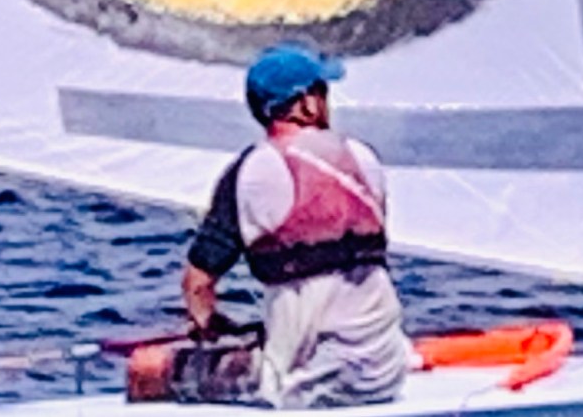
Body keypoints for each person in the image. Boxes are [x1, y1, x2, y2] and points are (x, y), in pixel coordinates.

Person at [136, 45, 414, 407]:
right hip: (387, 371)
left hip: (308, 385)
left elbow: (198, 285)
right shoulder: (365, 159)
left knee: (146, 368)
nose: (327, 101)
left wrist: (208, 326)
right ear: (306, 104)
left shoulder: (252, 170)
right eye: (323, 91)